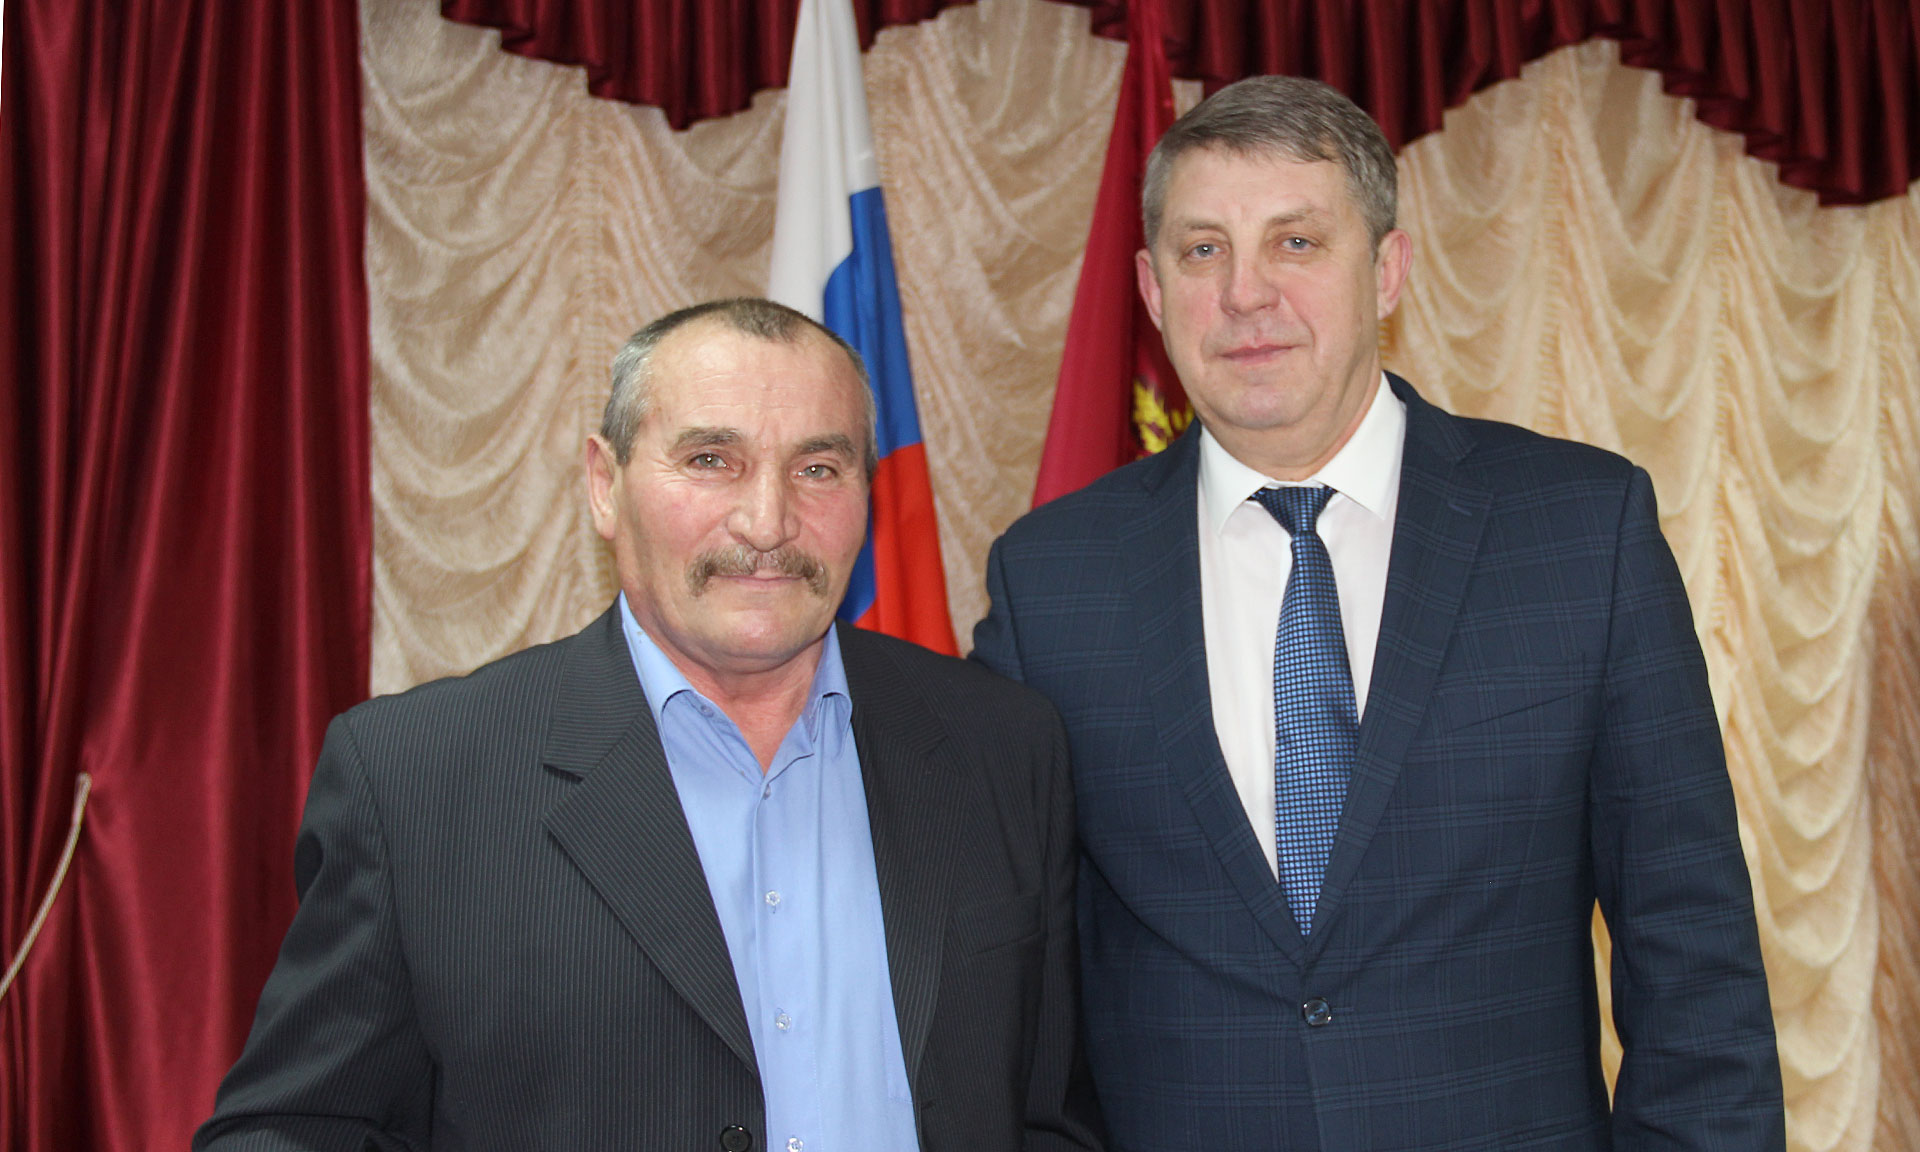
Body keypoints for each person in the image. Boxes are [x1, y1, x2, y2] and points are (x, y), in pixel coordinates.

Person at [972, 77, 1783, 1150]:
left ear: (1388, 270)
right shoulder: (1051, 580)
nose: (1245, 293)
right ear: (1153, 290)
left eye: (1297, 243)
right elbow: (1008, 984)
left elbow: (1694, 955)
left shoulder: (1582, 532)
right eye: (1203, 250)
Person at [198, 298, 1102, 1152]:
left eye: (817, 469)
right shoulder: (415, 782)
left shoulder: (1003, 747)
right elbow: (293, 1129)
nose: (768, 521)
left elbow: (1051, 1118)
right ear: (605, 484)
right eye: (711, 460)